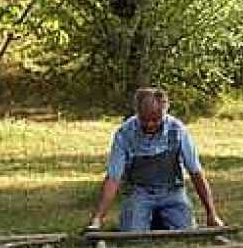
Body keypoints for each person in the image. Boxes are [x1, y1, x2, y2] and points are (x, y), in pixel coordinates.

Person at [88, 86, 224, 237]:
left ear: (164, 113)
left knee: (186, 232)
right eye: (145, 120)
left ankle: (158, 217)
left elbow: (195, 172)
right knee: (133, 235)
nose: (150, 125)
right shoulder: (124, 134)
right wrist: (97, 219)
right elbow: (113, 178)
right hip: (140, 193)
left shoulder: (177, 130)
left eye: (156, 120)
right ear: (137, 113)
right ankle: (146, 217)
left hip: (172, 192)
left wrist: (212, 214)